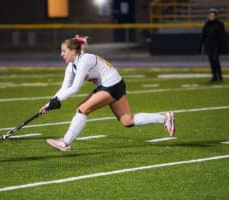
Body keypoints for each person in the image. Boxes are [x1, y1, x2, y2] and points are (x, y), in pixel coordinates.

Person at [40, 35, 175, 151]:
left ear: (73, 51)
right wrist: (48, 104)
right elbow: (64, 87)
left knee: (82, 109)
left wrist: (56, 100)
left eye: (64, 51)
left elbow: (75, 88)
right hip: (113, 85)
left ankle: (65, 142)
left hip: (111, 86)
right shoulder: (71, 66)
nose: (61, 54)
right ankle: (165, 118)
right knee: (127, 121)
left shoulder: (85, 60)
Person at [200, 8, 226, 82]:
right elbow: (203, 35)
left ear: (216, 16)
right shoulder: (206, 24)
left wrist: (223, 47)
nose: (211, 16)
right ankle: (214, 76)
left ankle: (220, 75)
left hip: (216, 45)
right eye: (210, 15)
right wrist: (201, 44)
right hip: (208, 45)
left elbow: (222, 36)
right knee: (211, 61)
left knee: (215, 60)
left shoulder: (220, 24)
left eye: (213, 15)